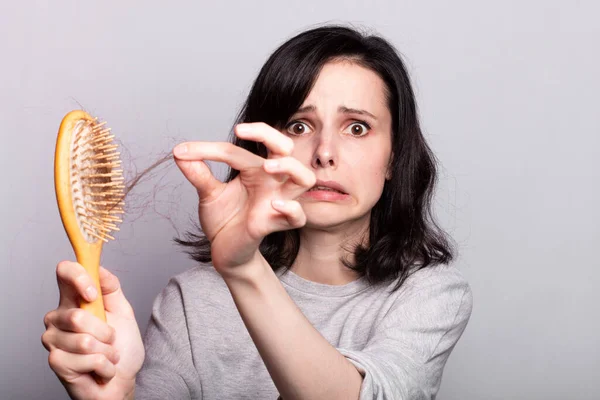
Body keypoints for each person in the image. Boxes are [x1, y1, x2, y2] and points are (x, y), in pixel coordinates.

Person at [41, 25, 473, 400]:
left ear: (395, 156)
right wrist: (118, 394)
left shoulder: (429, 295)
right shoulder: (193, 301)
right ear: (264, 144)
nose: (324, 154)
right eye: (299, 126)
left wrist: (244, 269)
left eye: (357, 127)